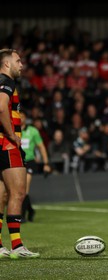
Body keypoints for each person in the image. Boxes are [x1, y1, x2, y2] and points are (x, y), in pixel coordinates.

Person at [0, 49, 39, 258]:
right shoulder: (6, 81)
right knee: (18, 193)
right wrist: (12, 134)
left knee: (3, 195)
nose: (21, 64)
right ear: (6, 64)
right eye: (18, 61)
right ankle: (17, 246)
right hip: (6, 144)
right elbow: (0, 107)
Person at [20, 110, 51, 222]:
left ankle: (22, 216)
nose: (20, 118)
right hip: (17, 162)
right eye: (18, 116)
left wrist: (46, 163)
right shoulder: (13, 130)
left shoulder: (33, 131)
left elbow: (41, 147)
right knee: (18, 189)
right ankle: (31, 210)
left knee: (24, 188)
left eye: (22, 116)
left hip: (29, 162)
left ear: (25, 118)